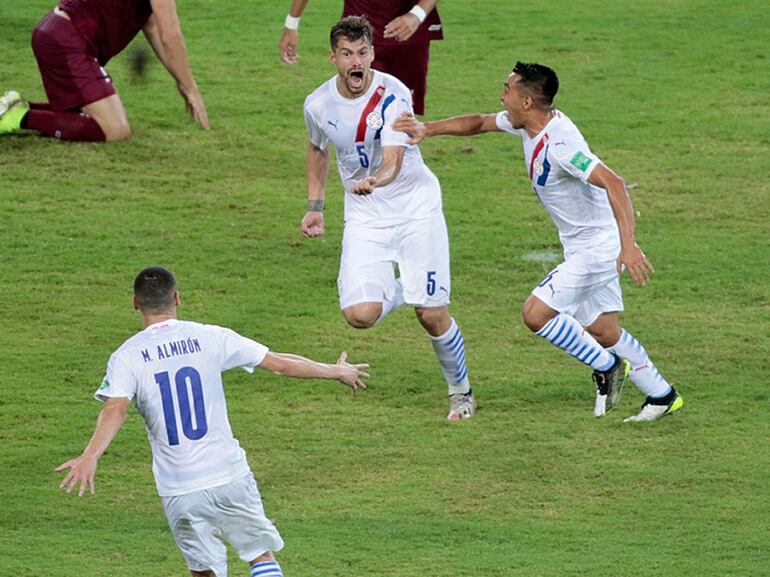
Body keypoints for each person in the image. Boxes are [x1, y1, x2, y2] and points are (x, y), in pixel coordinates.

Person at [393, 62, 684, 422]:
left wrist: (629, 245)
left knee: (535, 313)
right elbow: (481, 122)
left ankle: (606, 367)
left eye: (507, 89)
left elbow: (615, 183)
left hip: (598, 246)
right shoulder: (528, 124)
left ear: (527, 101)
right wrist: (428, 129)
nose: (501, 95)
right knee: (604, 329)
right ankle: (662, 395)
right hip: (582, 244)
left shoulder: (561, 144)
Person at [55, 266, 368, 577]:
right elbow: (281, 364)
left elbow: (116, 408)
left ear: (136, 303)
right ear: (177, 298)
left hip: (179, 488)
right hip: (228, 474)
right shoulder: (209, 336)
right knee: (259, 555)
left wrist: (91, 455)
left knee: (204, 572)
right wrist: (335, 370)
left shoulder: (126, 356)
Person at [300, 16, 475, 421]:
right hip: (366, 216)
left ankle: (461, 393)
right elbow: (317, 149)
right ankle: (411, 285)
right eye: (347, 54)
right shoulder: (318, 104)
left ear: (373, 54)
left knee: (431, 314)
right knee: (359, 315)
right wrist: (315, 206)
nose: (356, 61)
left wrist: (374, 180)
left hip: (415, 207)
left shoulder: (392, 93)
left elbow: (394, 160)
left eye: (362, 52)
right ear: (333, 58)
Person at [0, 0, 208, 142]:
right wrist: (191, 88)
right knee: (114, 129)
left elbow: (152, 26)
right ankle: (19, 117)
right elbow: (170, 36)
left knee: (94, 117)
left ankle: (20, 106)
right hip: (67, 40)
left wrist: (181, 81)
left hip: (58, 32)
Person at [279, 0, 442, 115]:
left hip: (408, 38)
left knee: (402, 117)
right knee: (357, 113)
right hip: (357, 41)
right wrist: (291, 24)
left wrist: (416, 15)